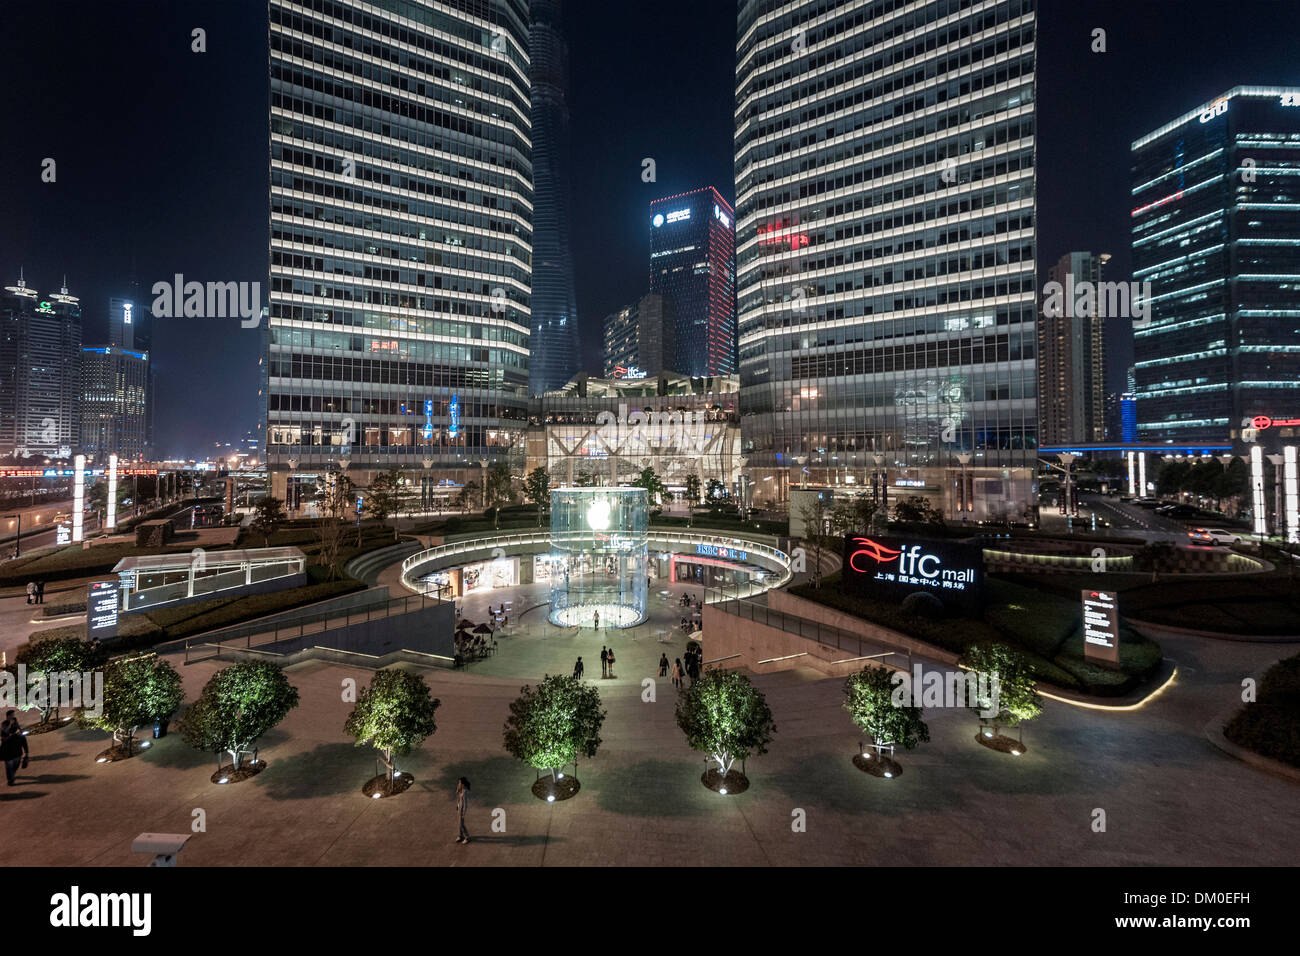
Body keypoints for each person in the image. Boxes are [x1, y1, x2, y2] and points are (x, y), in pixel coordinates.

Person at [1, 710, 28, 786]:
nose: (13, 716)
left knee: (16, 764)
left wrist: (20, 731)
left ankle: (12, 774)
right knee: (9, 766)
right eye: (12, 715)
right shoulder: (4, 723)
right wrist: (10, 724)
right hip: (7, 750)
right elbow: (5, 731)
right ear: (8, 716)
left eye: (13, 714)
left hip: (17, 750)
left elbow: (18, 727)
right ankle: (10, 780)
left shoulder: (15, 720)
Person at [455, 777, 471, 844]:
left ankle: (467, 837)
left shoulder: (465, 792)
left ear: (463, 784)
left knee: (462, 824)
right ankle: (460, 835)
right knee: (459, 823)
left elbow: (465, 803)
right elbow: (458, 799)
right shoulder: (460, 790)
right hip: (459, 809)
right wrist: (457, 806)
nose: (458, 783)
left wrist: (463, 813)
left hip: (462, 810)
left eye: (460, 782)